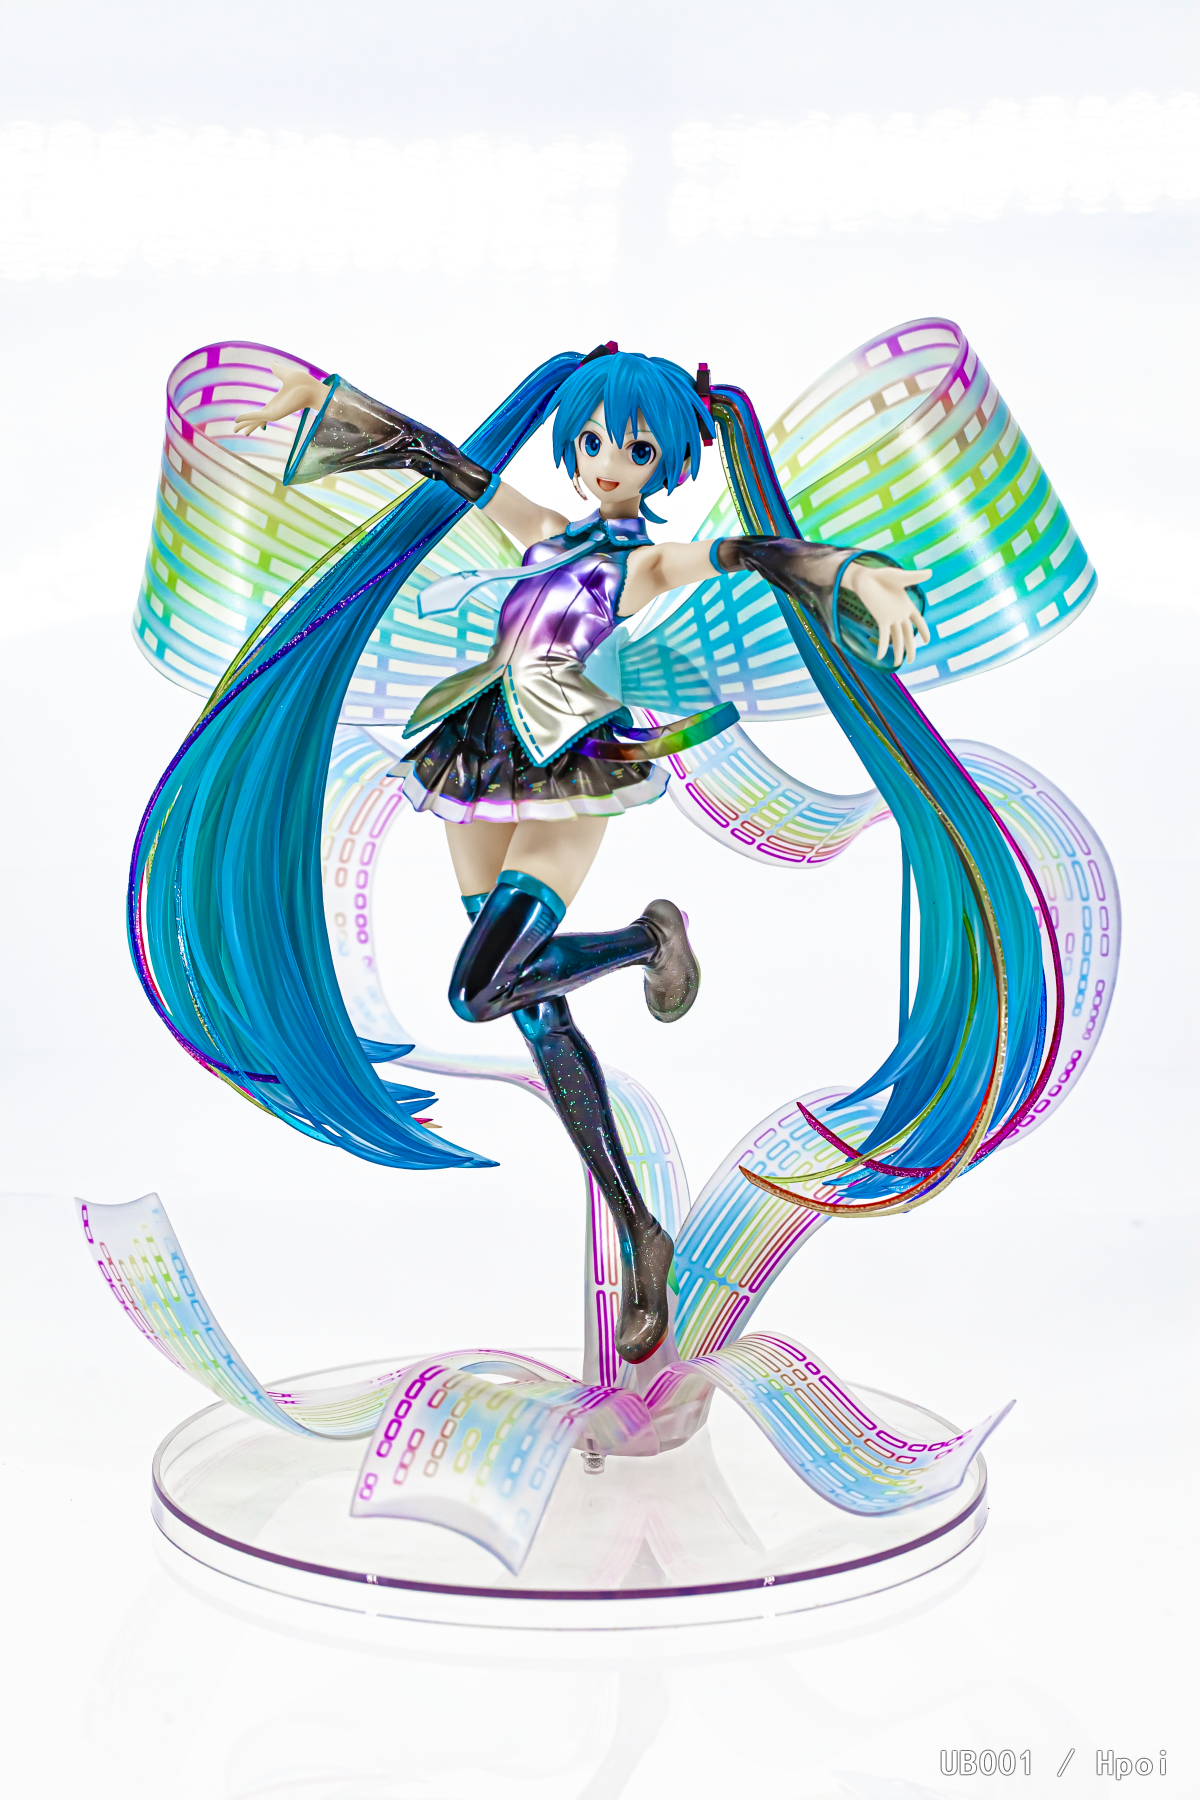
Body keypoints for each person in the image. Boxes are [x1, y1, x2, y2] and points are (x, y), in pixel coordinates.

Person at [232, 347, 930, 1362]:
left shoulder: (643, 565)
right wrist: (329, 400)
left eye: (635, 450)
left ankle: (649, 941)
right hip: (476, 754)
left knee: (478, 991)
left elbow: (750, 555)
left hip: (571, 764)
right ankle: (641, 1230)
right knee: (530, 1008)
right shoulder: (544, 532)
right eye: (594, 440)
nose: (607, 463)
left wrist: (852, 571)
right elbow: (445, 461)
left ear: (667, 463)